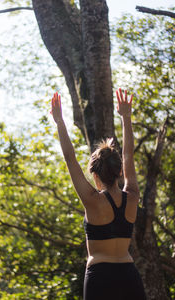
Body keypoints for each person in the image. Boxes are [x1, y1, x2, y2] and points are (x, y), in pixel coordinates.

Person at [51, 89, 146, 300]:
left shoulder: (92, 201)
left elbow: (69, 158)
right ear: (119, 172)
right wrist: (126, 117)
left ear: (95, 174)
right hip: (129, 275)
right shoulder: (132, 196)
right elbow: (128, 155)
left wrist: (59, 121)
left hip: (99, 277)